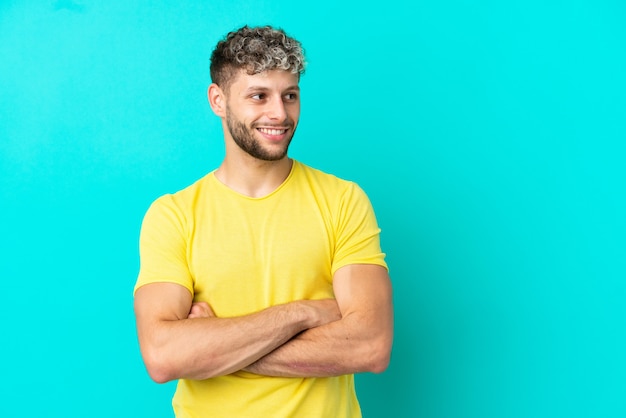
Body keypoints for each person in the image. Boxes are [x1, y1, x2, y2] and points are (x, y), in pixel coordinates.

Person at [133, 25, 393, 418]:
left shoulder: (343, 200)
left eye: (290, 96)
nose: (280, 113)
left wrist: (212, 344)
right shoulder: (173, 215)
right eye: (259, 96)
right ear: (218, 100)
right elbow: (164, 356)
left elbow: (370, 346)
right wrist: (302, 313)